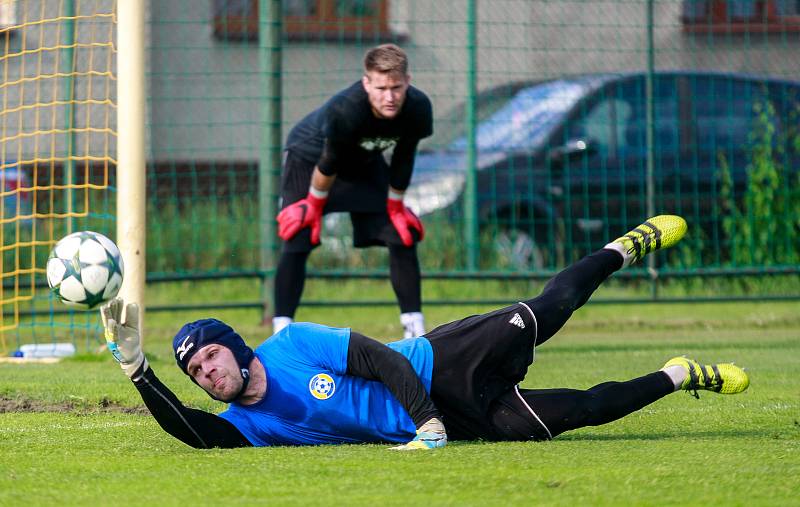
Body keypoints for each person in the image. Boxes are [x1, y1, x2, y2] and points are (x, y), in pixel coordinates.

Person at [102, 215, 750, 450]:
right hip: (450, 420)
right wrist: (139, 370)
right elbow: (196, 433)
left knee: (552, 309)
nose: (207, 372)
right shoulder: (245, 426)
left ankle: (624, 246)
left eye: (211, 355)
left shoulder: (291, 344)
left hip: (441, 362)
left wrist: (427, 422)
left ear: (236, 346)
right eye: (197, 372)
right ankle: (680, 373)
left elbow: (381, 358)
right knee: (579, 410)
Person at [273, 43, 432, 338]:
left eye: (396, 87)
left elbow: (403, 155)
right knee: (297, 239)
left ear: (407, 81)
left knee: (401, 235)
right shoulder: (346, 109)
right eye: (381, 87)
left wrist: (395, 205)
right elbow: (329, 161)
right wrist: (313, 204)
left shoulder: (418, 107)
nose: (390, 96)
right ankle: (281, 332)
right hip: (310, 161)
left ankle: (415, 332)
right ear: (366, 83)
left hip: (363, 162)